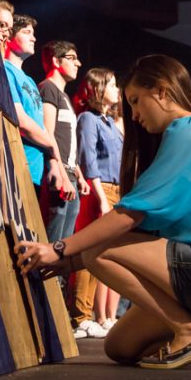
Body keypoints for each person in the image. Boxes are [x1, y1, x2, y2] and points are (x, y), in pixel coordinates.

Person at [15, 54, 191, 370]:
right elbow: (145, 230)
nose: (133, 115)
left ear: (161, 91)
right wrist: (70, 263)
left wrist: (58, 248)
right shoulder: (183, 136)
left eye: (135, 101)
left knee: (98, 251)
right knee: (119, 346)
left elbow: (129, 216)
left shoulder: (190, 131)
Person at [71, 68, 123, 338]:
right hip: (98, 189)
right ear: (99, 89)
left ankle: (89, 315)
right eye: (113, 84)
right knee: (88, 251)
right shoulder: (88, 119)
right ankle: (80, 316)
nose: (117, 90)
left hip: (114, 190)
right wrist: (101, 198)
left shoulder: (109, 122)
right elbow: (87, 159)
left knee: (101, 254)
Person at [4, 15, 63, 198]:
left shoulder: (29, 80)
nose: (33, 38)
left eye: (34, 33)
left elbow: (41, 125)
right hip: (16, 167)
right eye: (26, 32)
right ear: (10, 36)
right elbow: (21, 121)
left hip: (35, 175)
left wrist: (53, 162)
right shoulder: (5, 69)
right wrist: (53, 148)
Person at [38, 41, 90, 251]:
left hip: (69, 173)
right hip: (59, 174)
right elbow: (48, 134)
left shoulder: (64, 96)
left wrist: (78, 174)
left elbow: (66, 138)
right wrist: (59, 170)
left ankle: (58, 282)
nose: (77, 63)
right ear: (55, 61)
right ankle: (47, 280)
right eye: (71, 58)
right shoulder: (48, 89)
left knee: (66, 242)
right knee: (55, 233)